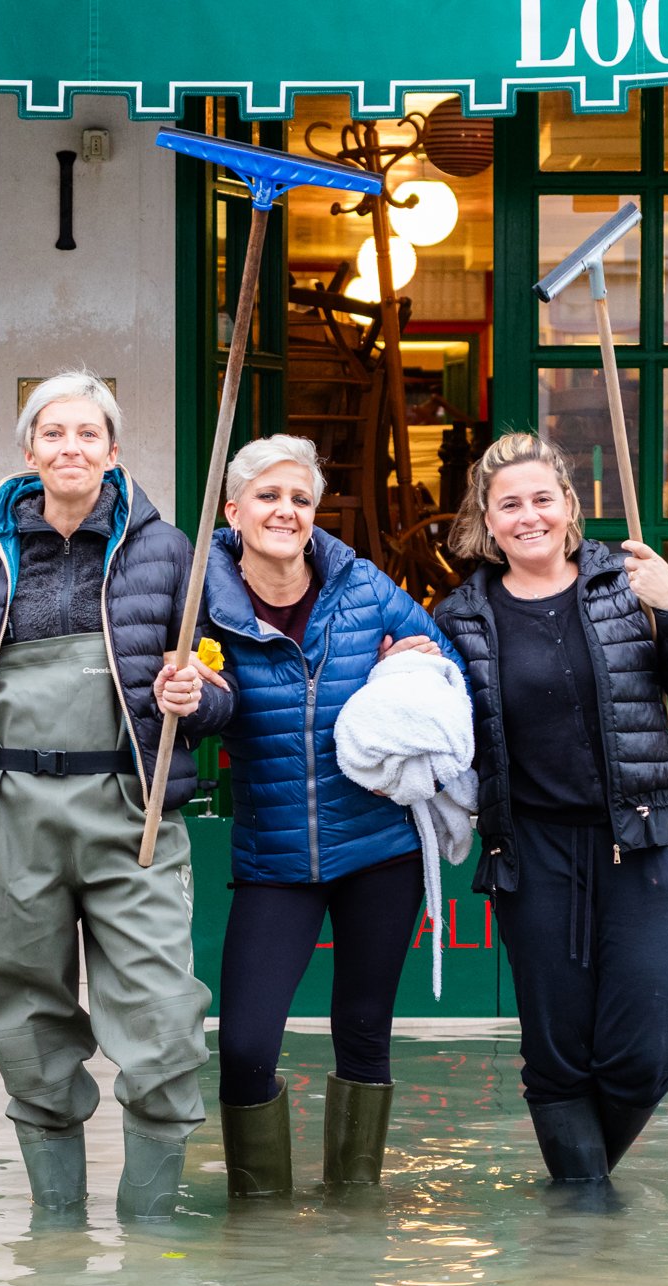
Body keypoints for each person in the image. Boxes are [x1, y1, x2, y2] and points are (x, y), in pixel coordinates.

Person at [0, 371, 230, 1221]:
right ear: (28, 451)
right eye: (54, 434)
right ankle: (56, 1238)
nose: (71, 448)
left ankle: (152, 1240)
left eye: (88, 434)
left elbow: (223, 688)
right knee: (24, 1028)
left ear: (113, 450)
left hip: (130, 813)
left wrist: (196, 699)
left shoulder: (170, 549)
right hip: (7, 810)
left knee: (163, 1021)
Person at [432, 433, 668, 1187]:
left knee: (643, 1060)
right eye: (509, 505)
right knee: (557, 1060)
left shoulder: (629, 585)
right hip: (532, 854)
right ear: (487, 521)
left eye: (542, 499)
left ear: (569, 506)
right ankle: (583, 1230)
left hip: (644, 841)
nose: (528, 516)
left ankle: (579, 1208)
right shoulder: (461, 616)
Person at [199, 434, 461, 1199]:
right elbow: (191, 712)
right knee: (246, 1046)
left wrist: (406, 673)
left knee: (363, 1035)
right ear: (234, 508)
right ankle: (260, 1223)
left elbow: (448, 685)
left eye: (301, 499)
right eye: (270, 496)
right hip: (274, 857)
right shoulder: (203, 603)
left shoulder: (365, 587)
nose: (286, 511)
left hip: (380, 849)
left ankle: (354, 1221)